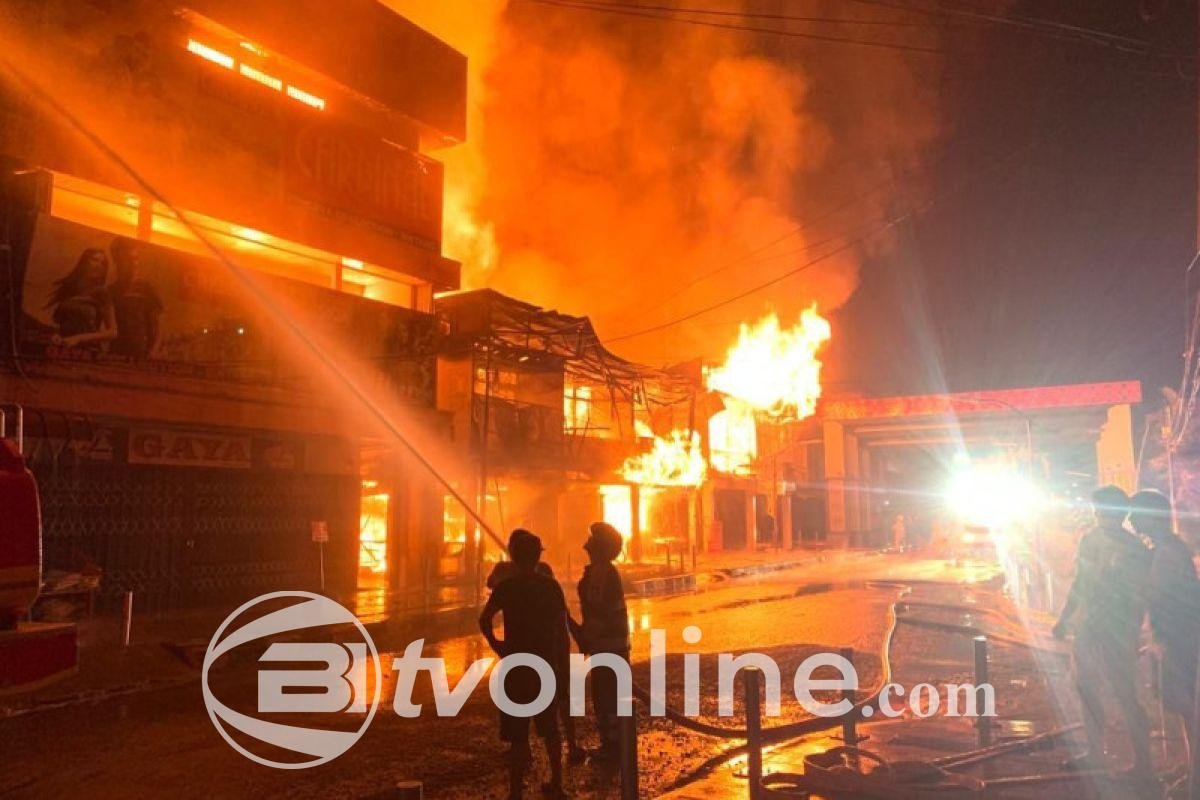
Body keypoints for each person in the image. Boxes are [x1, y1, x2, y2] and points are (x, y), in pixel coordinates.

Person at [1052, 485, 1153, 778]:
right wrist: (1065, 619)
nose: (1098, 514)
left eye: (1101, 509)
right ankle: (1097, 752)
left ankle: (1141, 761)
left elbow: (1137, 596)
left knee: (1123, 693)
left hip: (1114, 631)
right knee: (1087, 687)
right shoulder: (1095, 540)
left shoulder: (1133, 550)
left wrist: (1131, 632)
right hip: (1092, 627)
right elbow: (1082, 582)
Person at [479, 530, 568, 800]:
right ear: (537, 556)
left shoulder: (507, 588)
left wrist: (499, 647)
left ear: (513, 556)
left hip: (516, 667)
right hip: (544, 665)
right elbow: (559, 624)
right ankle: (557, 783)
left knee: (518, 736)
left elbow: (485, 620)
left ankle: (515, 792)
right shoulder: (550, 587)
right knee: (550, 729)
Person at [486, 547, 585, 765]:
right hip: (549, 654)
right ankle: (556, 762)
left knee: (551, 705)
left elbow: (486, 615)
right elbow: (563, 615)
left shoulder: (521, 581)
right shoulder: (534, 581)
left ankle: (522, 775)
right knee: (554, 708)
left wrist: (498, 645)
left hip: (538, 655)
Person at [1130, 490, 1200, 778]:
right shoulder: (1164, 549)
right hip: (1174, 638)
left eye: (1136, 514)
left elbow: (1164, 597)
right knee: (1183, 706)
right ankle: (1192, 768)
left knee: (1187, 707)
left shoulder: (1167, 553)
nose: (1131, 520)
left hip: (1179, 640)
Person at [570, 522, 630, 763]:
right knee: (608, 695)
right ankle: (612, 744)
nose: (586, 542)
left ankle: (613, 747)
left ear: (600, 547)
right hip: (609, 644)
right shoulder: (600, 570)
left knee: (606, 696)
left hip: (608, 645)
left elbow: (599, 612)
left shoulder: (601, 572)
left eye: (591, 539)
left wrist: (586, 638)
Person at [46, 248, 116, 349]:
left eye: (103, 263)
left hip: (88, 351)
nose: (98, 265)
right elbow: (62, 320)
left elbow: (112, 332)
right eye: (95, 260)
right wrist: (56, 335)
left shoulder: (102, 293)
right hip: (63, 348)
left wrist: (78, 338)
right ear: (84, 261)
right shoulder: (69, 288)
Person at [107, 237, 162, 358]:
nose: (134, 264)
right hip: (116, 356)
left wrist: (152, 353)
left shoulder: (147, 289)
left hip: (142, 356)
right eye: (128, 259)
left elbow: (156, 330)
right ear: (118, 262)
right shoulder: (110, 291)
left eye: (136, 259)